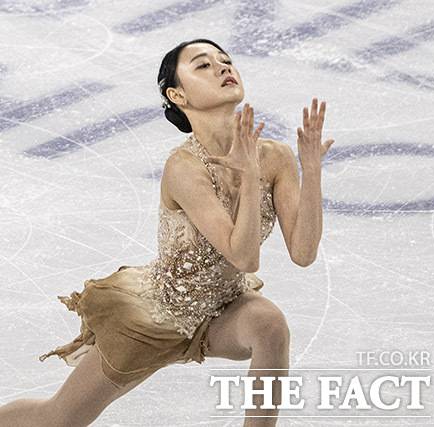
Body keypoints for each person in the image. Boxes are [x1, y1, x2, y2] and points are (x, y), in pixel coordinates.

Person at [0, 38, 335, 427]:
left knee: (269, 325)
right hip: (155, 317)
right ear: (178, 95)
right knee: (59, 418)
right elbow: (243, 256)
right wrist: (248, 178)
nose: (223, 68)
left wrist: (312, 172)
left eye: (225, 60)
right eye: (203, 65)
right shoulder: (184, 168)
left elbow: (303, 253)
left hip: (222, 309)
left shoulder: (275, 156)